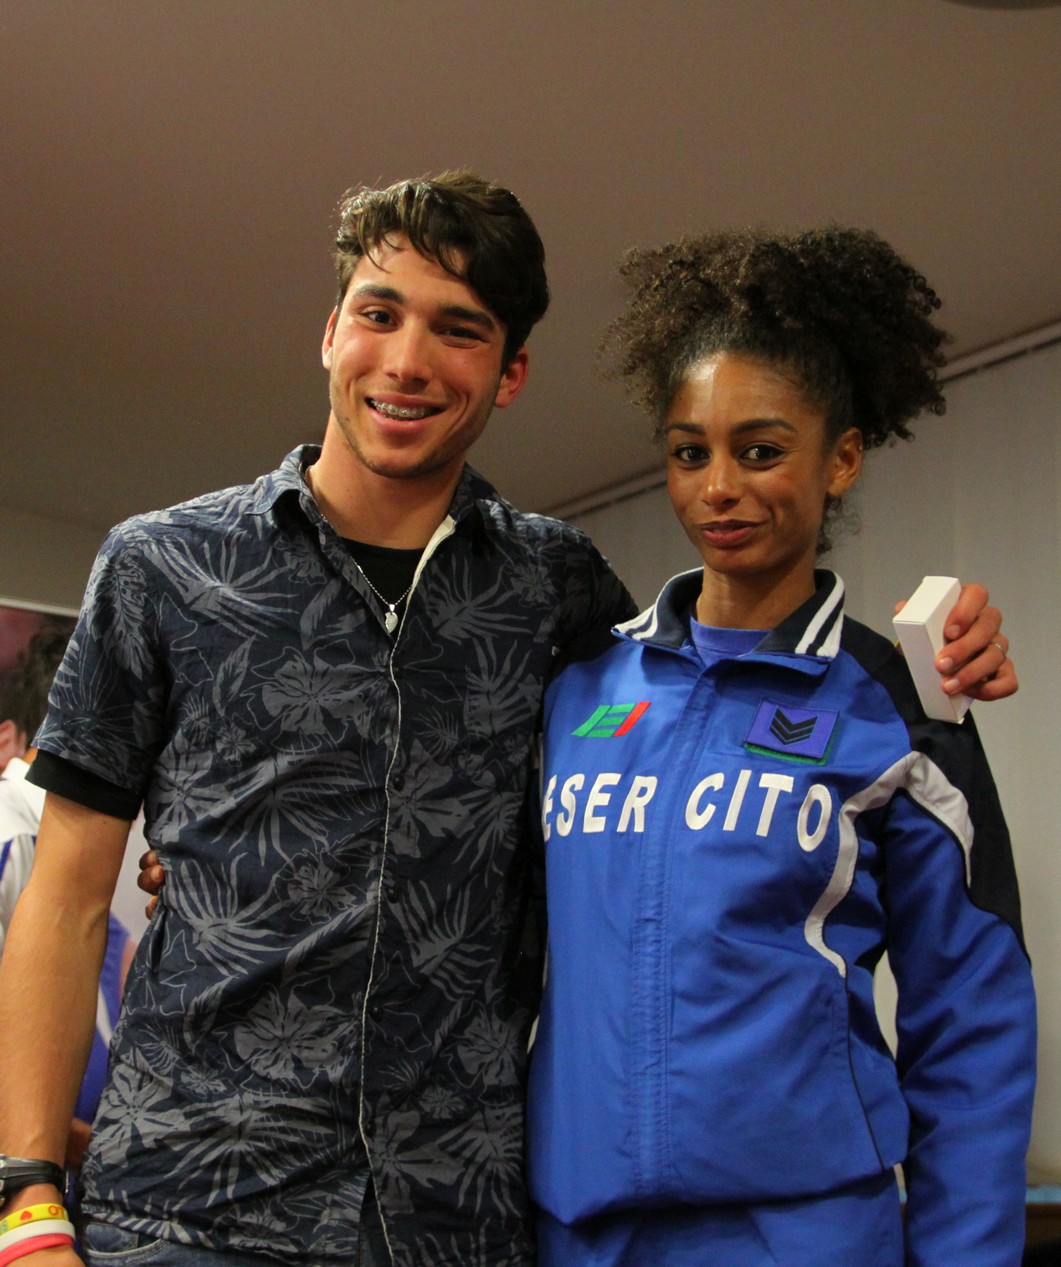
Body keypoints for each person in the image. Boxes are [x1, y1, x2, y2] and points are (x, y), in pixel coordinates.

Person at [0, 174, 1014, 1267]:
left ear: (509, 371)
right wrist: (27, 1193)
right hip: (194, 1210)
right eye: (379, 312)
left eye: (458, 329)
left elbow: (726, 687)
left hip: (463, 1220)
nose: (407, 360)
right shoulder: (162, 567)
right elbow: (65, 898)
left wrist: (935, 653)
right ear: (331, 328)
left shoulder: (555, 591)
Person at [527, 226, 1035, 1266]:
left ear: (839, 458)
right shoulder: (577, 687)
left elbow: (971, 1022)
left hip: (802, 1236)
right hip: (578, 1233)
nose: (717, 486)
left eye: (759, 450)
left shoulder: (900, 707)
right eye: (688, 452)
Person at [0, 621, 135, 1219]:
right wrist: (55, 1155)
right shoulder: (8, 829)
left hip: (75, 1190)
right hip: (32, 1190)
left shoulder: (77, 854)